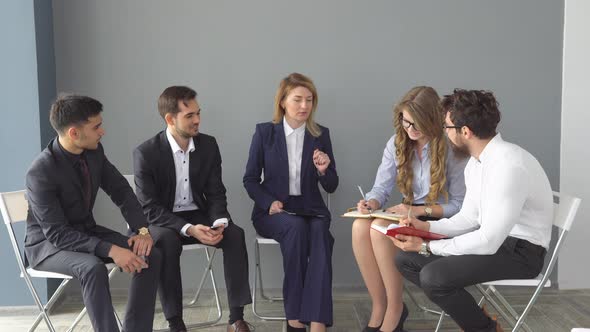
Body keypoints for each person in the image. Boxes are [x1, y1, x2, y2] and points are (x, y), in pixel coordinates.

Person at [393, 89, 553, 332]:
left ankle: (485, 328)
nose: (444, 134)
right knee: (406, 259)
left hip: (522, 253)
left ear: (464, 131)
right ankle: (476, 317)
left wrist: (427, 246)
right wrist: (426, 227)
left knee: (433, 277)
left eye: (447, 128)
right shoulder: (477, 162)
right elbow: (469, 218)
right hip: (498, 243)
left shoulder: (508, 166)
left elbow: (488, 241)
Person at [24, 94, 161, 332]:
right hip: (48, 245)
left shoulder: (94, 153)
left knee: (151, 253)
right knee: (92, 267)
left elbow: (121, 191)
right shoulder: (40, 172)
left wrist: (141, 231)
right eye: (96, 126)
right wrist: (112, 250)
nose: (102, 131)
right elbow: (57, 234)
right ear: (74, 133)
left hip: (86, 232)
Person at [133, 86, 252, 332]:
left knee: (234, 235)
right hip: (163, 220)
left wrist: (220, 221)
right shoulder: (146, 153)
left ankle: (236, 318)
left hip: (199, 214)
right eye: (189, 116)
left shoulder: (208, 145)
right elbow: (149, 208)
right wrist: (188, 229)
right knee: (167, 241)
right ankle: (176, 322)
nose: (197, 120)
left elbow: (216, 191)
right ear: (170, 119)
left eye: (198, 113)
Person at [351, 86, 467, 332]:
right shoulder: (396, 142)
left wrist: (416, 211)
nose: (410, 130)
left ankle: (394, 310)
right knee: (360, 225)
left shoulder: (450, 148)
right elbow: (380, 189)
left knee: (379, 228)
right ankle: (379, 306)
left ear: (432, 120)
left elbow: (458, 206)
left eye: (416, 124)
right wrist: (370, 203)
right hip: (407, 214)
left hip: (435, 221)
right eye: (405, 123)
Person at [243, 73, 338, 332]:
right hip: (273, 212)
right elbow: (250, 179)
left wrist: (323, 170)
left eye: (309, 100)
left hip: (311, 210)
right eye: (297, 99)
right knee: (296, 229)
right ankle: (296, 320)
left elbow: (331, 185)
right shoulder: (265, 133)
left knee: (320, 233)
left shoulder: (320, 134)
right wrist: (269, 202)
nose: (304, 106)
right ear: (283, 101)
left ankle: (316, 323)